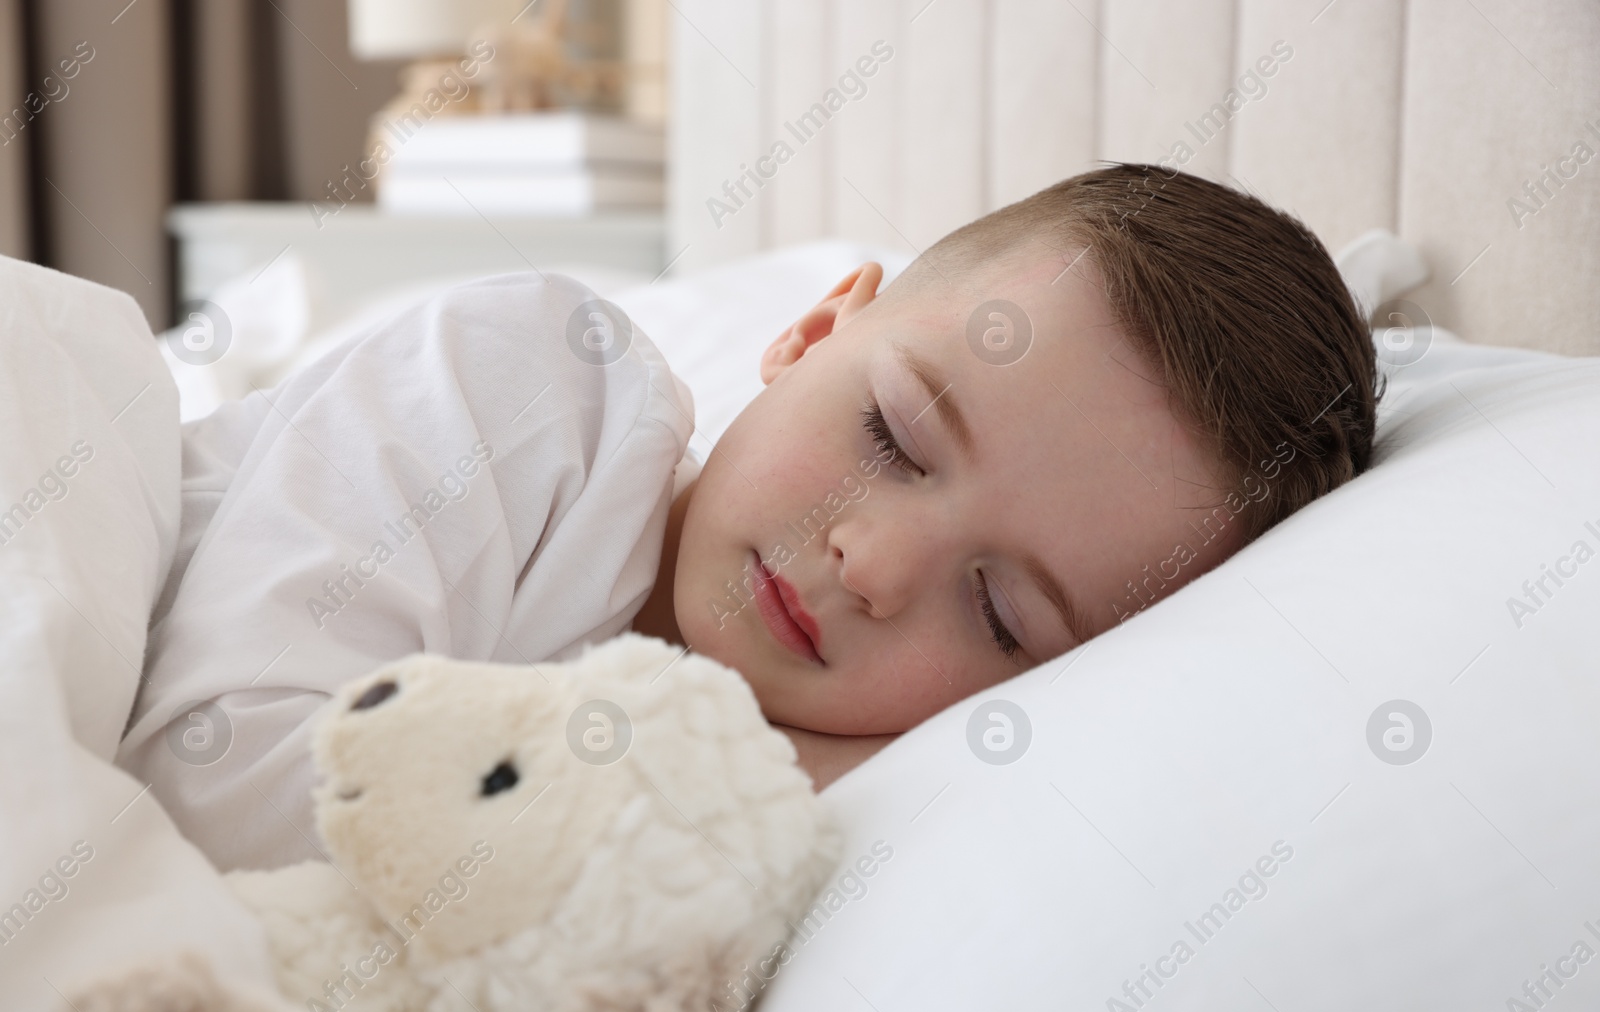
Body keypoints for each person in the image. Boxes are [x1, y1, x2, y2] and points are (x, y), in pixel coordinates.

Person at [118, 164, 1378, 869]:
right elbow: (205, 795)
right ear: (816, 327)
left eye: (998, 614)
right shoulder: (539, 387)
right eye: (894, 434)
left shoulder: (812, 834)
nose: (873, 562)